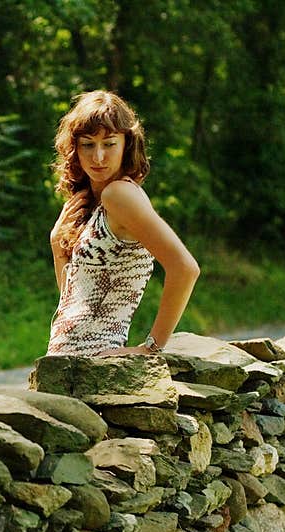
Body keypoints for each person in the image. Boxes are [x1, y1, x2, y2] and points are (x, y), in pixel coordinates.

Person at [46, 90, 199, 357]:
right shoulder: (92, 203)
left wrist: (150, 348)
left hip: (95, 366)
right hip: (67, 362)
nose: (98, 157)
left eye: (109, 143)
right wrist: (58, 247)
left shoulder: (119, 195)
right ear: (74, 148)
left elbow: (185, 268)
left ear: (126, 144)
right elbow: (77, 304)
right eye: (87, 144)